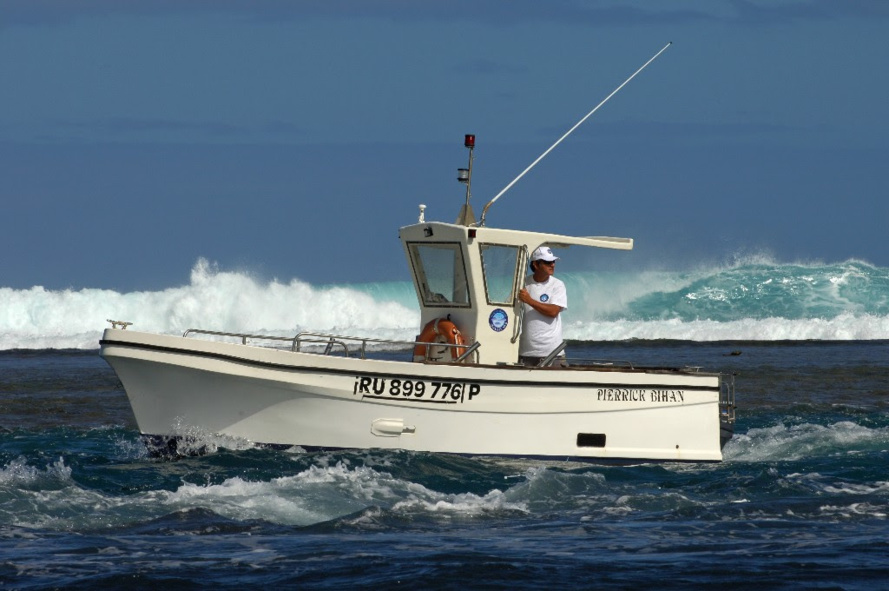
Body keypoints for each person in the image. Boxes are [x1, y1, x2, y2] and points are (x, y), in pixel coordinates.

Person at [518, 246, 568, 367]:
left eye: (553, 261)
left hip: (552, 352)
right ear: (536, 264)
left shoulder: (557, 285)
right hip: (526, 352)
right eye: (547, 262)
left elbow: (553, 312)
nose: (552, 265)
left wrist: (529, 300)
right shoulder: (523, 283)